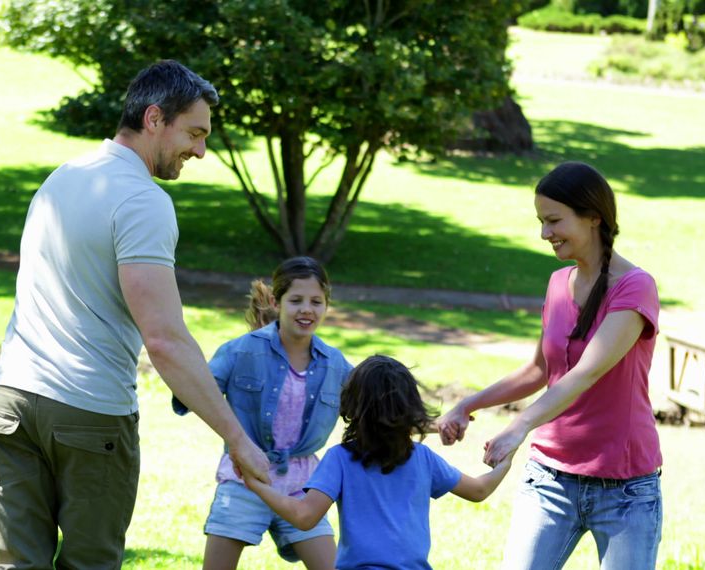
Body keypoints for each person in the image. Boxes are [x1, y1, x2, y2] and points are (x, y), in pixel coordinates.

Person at [0, 60, 270, 570]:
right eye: (195, 133)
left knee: (13, 565)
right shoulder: (143, 201)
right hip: (88, 413)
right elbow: (165, 340)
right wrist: (238, 439)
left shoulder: (63, 177)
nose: (201, 150)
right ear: (154, 118)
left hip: (11, 403)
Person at [436, 161, 663, 569]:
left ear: (593, 217)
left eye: (554, 221)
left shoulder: (635, 286)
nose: (545, 234)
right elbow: (539, 370)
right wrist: (467, 405)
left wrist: (520, 424)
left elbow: (587, 370)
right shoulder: (559, 283)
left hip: (625, 488)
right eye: (541, 221)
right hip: (550, 479)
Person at [243, 355, 514, 570]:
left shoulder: (340, 458)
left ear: (351, 406)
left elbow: (304, 517)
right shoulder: (423, 458)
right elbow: (479, 490)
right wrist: (505, 461)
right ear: (411, 408)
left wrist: (257, 485)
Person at [174, 256, 352, 570]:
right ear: (276, 300)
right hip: (243, 477)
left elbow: (375, 405)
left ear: (327, 305)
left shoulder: (334, 363)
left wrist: (431, 423)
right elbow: (195, 390)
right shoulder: (240, 350)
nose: (306, 310)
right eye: (295, 300)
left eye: (316, 302)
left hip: (302, 485)